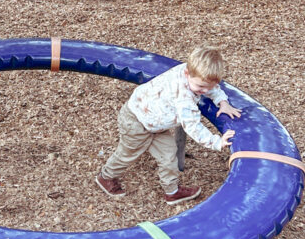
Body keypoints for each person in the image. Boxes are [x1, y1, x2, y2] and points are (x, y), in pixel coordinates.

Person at [95, 45, 242, 204]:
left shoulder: (193, 73)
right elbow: (193, 126)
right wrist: (216, 142)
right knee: (128, 154)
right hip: (136, 121)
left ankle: (172, 191)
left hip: (155, 123)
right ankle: (106, 177)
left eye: (209, 87)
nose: (205, 90)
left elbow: (210, 86)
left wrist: (222, 101)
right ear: (187, 73)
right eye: (200, 87)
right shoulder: (183, 98)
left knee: (169, 154)